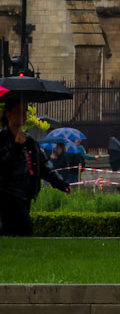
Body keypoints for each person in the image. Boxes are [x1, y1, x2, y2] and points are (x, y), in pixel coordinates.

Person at [0, 95, 68, 235]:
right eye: (18, 112)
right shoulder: (3, 139)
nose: (23, 116)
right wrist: (16, 146)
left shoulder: (29, 141)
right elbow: (3, 165)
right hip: (9, 193)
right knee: (24, 229)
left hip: (26, 192)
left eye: (25, 112)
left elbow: (43, 166)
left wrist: (60, 183)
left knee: (12, 231)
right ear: (8, 115)